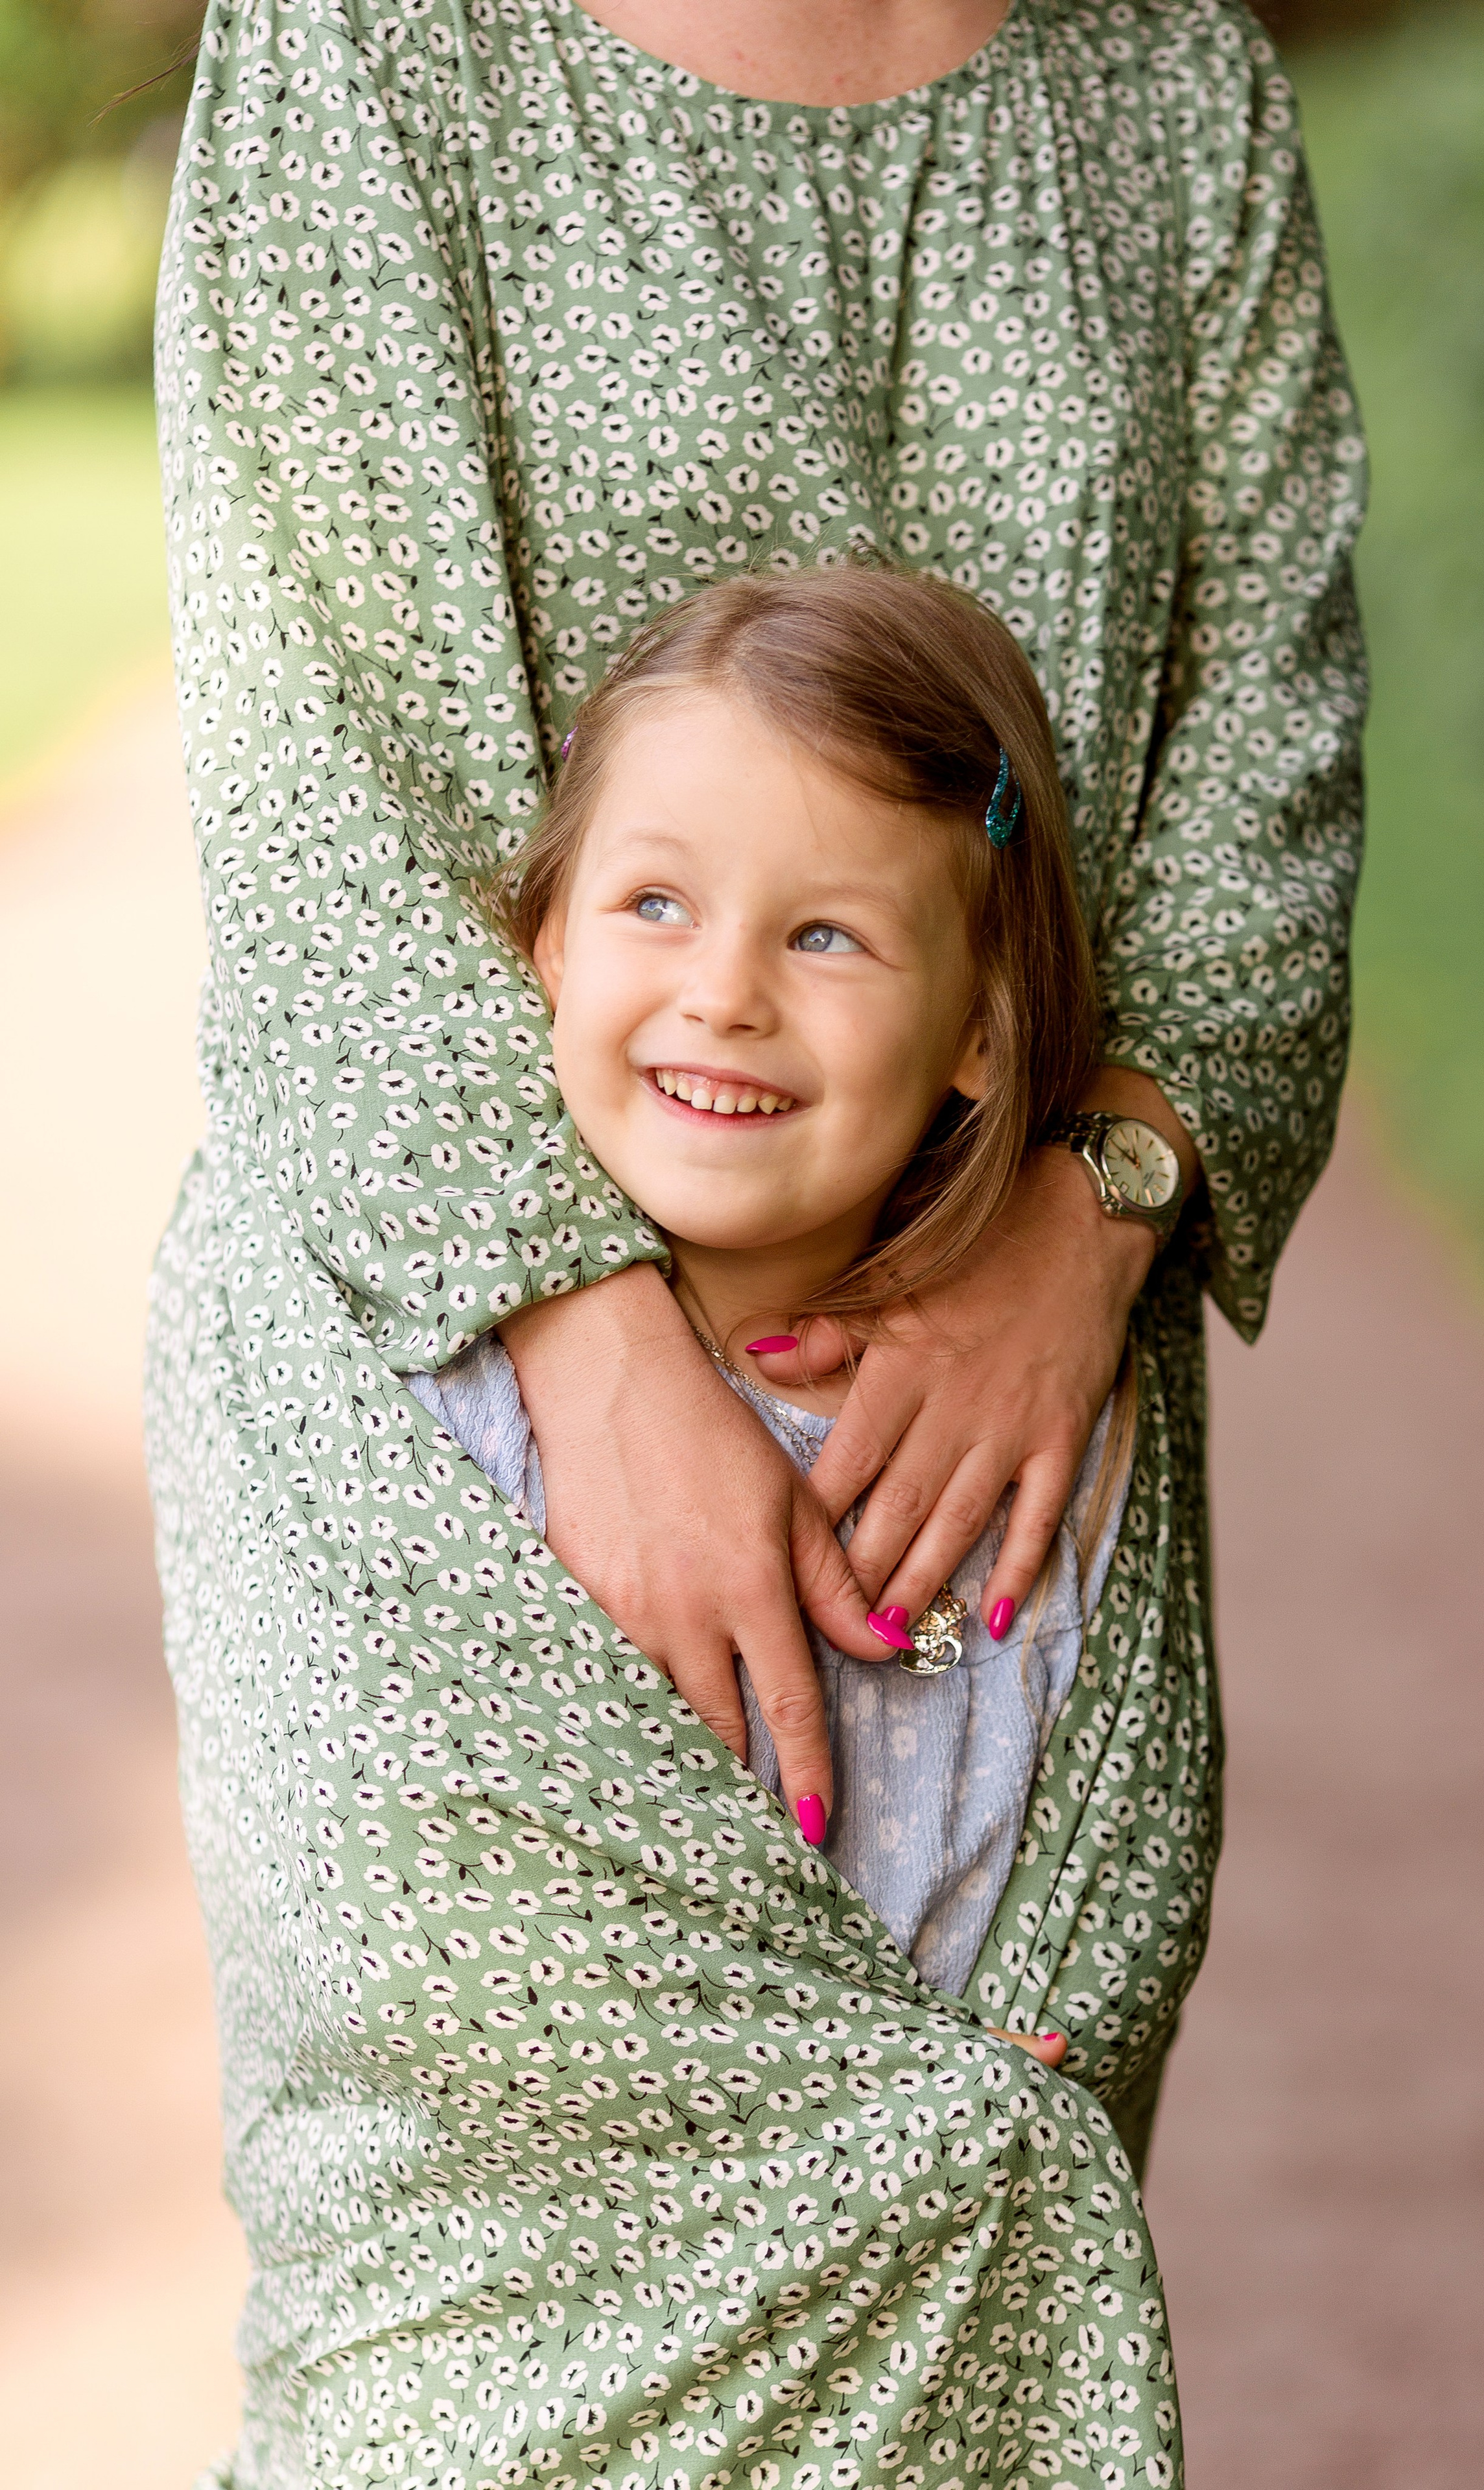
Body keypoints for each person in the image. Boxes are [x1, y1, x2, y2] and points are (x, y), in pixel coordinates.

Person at [148, 2, 1364, 2480]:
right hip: (461, 1418)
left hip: (1009, 1423)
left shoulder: (1174, 82)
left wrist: (1096, 1210)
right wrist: (597, 1358)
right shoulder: (378, 44)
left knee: (960, 2292)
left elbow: (1268, 747)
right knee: (459, 2366)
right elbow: (318, 779)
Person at [414, 562, 1141, 2037]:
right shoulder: (461, 1405)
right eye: (656, 903)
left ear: (980, 1028)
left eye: (824, 936)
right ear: (550, 945)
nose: (725, 993)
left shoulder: (1034, 1417)